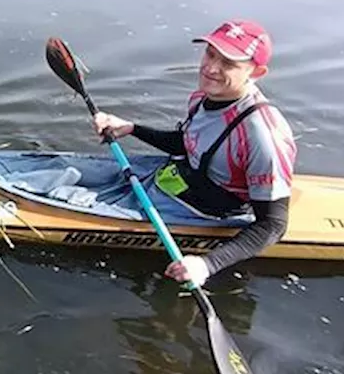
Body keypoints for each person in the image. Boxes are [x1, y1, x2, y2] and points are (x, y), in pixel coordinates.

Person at [91, 20, 296, 288]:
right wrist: (131, 129)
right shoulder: (204, 96)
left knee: (69, 196)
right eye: (210, 54)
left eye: (229, 63)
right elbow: (189, 144)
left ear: (257, 72)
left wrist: (207, 264)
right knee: (66, 172)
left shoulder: (264, 136)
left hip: (211, 209)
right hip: (183, 180)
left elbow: (272, 225)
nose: (211, 69)